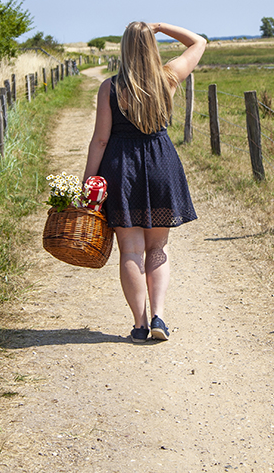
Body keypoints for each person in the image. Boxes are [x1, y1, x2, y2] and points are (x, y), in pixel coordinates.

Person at [83, 21, 207, 343]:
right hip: (159, 163)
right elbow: (199, 43)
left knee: (131, 251)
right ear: (152, 47)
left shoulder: (110, 88)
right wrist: (163, 27)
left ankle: (139, 324)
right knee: (157, 248)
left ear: (123, 49)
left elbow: (99, 140)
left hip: (120, 168)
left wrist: (87, 184)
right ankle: (159, 318)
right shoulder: (167, 78)